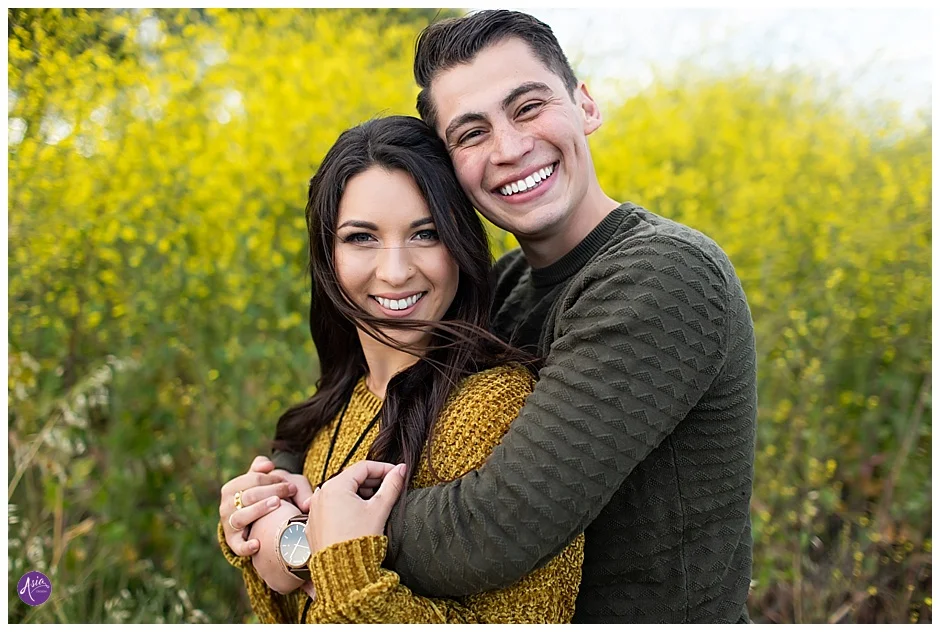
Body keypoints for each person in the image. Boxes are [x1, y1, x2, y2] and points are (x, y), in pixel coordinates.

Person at [258, 9, 756, 624]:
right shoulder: (505, 285)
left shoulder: (663, 275)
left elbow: (496, 525)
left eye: (528, 107)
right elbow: (366, 405)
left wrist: (308, 536)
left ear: (586, 106)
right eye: (471, 133)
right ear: (450, 173)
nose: (511, 148)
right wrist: (272, 495)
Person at [217, 115, 584, 623]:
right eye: (362, 238)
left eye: (426, 234)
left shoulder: (497, 409)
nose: (394, 271)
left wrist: (325, 565)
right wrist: (261, 526)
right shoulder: (336, 406)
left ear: (461, 247)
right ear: (328, 255)